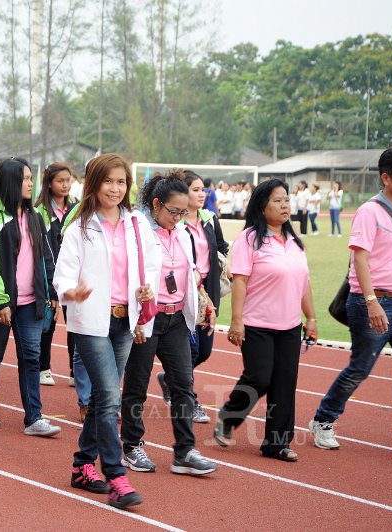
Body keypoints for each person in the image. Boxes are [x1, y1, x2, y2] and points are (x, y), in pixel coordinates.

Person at [310, 147, 392, 464]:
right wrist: (372, 301)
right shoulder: (370, 211)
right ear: (385, 177)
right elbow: (359, 259)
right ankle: (324, 419)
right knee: (361, 368)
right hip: (372, 303)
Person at [54, 153, 159, 509]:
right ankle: (116, 477)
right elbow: (63, 275)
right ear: (94, 184)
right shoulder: (79, 227)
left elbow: (152, 268)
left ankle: (83, 465)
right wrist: (71, 292)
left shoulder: (137, 225)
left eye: (121, 182)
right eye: (108, 181)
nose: (115, 188)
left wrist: (147, 291)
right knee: (110, 397)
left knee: (101, 399)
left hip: (124, 321)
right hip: (91, 322)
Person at [119, 172, 217, 476]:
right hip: (148, 319)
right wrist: (135, 315)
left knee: (183, 385)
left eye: (183, 211)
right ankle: (132, 446)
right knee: (137, 384)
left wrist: (204, 300)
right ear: (156, 204)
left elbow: (191, 272)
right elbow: (127, 272)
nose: (178, 217)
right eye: (173, 211)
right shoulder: (137, 230)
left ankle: (184, 451)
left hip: (176, 319)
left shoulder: (184, 233)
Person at [214, 178, 316, 462]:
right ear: (262, 206)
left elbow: (304, 284)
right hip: (256, 323)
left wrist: (312, 318)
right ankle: (228, 418)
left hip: (289, 326)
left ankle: (277, 443)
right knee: (259, 376)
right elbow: (241, 282)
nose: (285, 205)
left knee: (285, 383)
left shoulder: (295, 242)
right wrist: (236, 321)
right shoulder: (249, 239)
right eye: (277, 201)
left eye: (286, 200)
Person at [0, 158, 61, 437]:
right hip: (2, 302)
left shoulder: (35, 216)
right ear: (11, 181)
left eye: (31, 178)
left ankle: (34, 418)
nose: (31, 183)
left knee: (31, 358)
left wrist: (52, 290)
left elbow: (46, 256)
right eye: (25, 178)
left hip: (31, 302)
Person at [177, 170, 228, 423]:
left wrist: (227, 261)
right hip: (186, 292)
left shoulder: (209, 218)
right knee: (191, 350)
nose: (201, 194)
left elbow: (221, 246)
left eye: (202, 190)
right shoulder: (176, 223)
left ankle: (173, 378)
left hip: (209, 292)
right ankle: (190, 400)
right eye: (195, 189)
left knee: (204, 351)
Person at [35, 162, 79, 387]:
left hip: (73, 274)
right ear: (49, 183)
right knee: (49, 323)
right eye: (60, 181)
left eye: (68, 180)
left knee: (75, 322)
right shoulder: (40, 210)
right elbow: (43, 248)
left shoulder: (77, 207)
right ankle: (44, 367)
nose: (65, 185)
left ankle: (74, 370)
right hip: (50, 273)